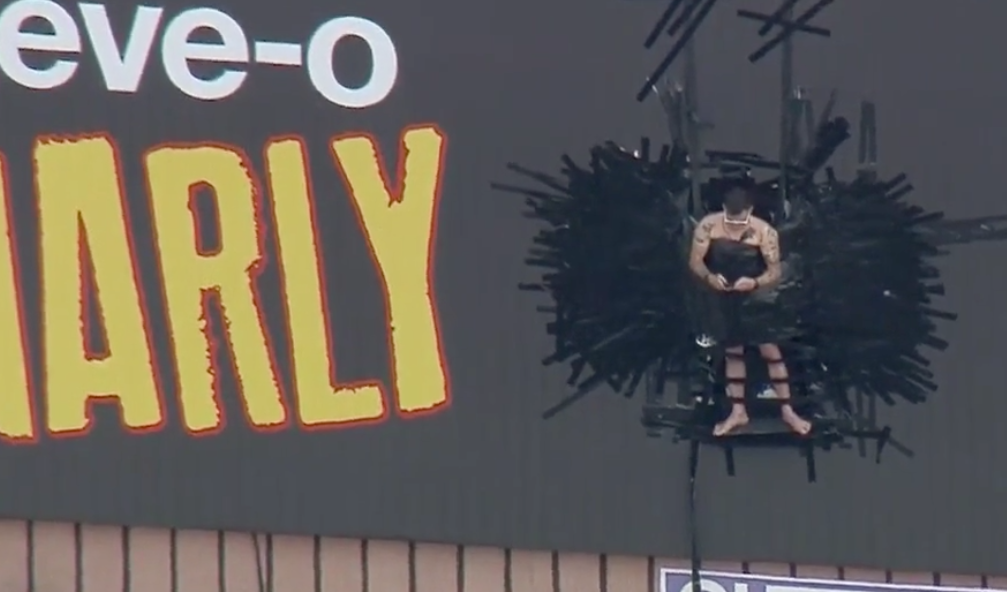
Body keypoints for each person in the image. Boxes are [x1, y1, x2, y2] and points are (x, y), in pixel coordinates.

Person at [688, 182, 812, 437]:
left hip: (757, 300)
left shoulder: (764, 232)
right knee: (734, 353)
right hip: (725, 299)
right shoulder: (708, 226)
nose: (735, 226)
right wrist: (710, 277)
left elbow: (775, 271)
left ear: (750, 210)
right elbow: (695, 261)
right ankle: (737, 412)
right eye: (730, 220)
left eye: (741, 219)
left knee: (771, 353)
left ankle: (788, 411)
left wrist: (754, 282)